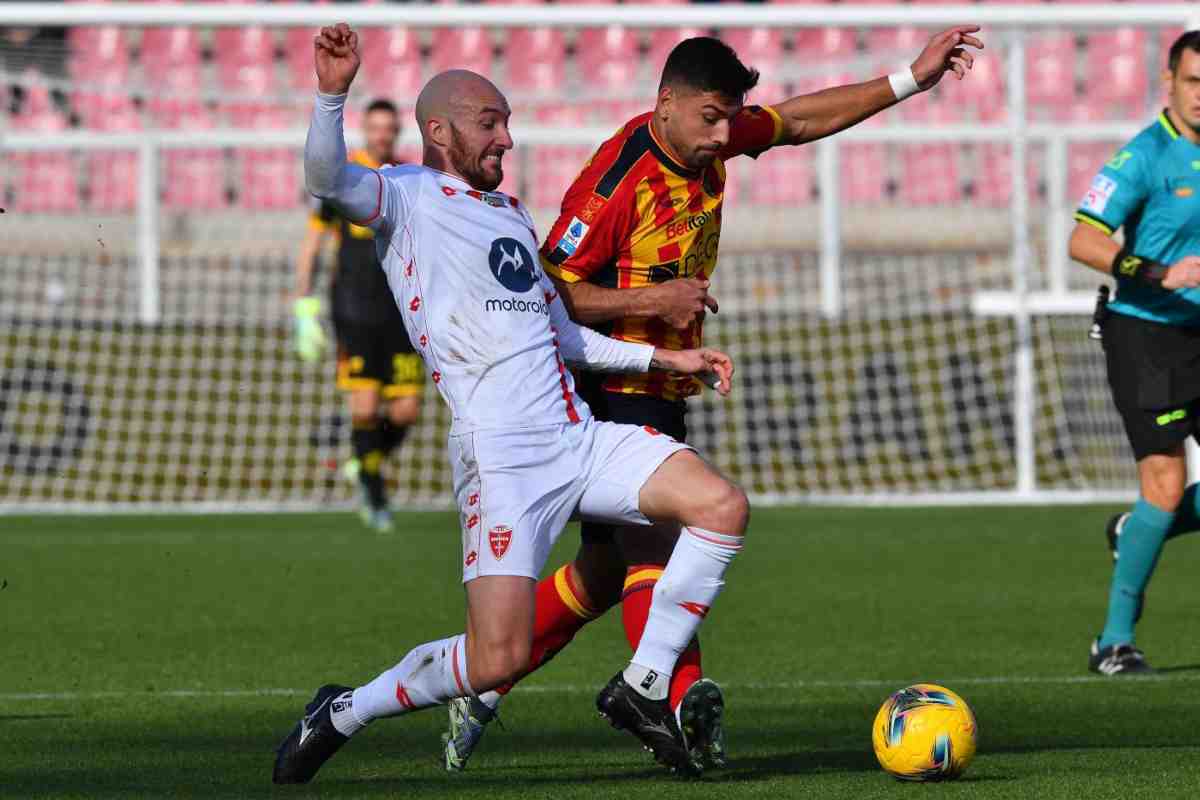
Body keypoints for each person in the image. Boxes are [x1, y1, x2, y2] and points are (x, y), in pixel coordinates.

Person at [443, 28, 985, 770]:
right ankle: (669, 700)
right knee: (664, 544)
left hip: (662, 383)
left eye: (732, 119)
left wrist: (911, 80)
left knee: (602, 576)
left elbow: (796, 121)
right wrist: (656, 297)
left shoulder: (712, 140)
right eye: (710, 119)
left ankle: (482, 680)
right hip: (607, 386)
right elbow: (547, 294)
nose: (725, 135)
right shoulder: (615, 180)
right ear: (666, 104)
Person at [273, 23, 748, 783]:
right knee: (494, 655)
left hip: (579, 435)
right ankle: (344, 710)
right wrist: (333, 95)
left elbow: (563, 336)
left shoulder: (511, 216)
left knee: (720, 506)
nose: (506, 140)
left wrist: (667, 356)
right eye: (490, 123)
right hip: (501, 458)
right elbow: (327, 178)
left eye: (509, 126)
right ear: (440, 130)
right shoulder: (405, 196)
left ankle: (645, 685)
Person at [1070, 30, 1200, 675]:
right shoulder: (1143, 157)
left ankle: (1137, 532)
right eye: (1195, 82)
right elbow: (1082, 240)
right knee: (1166, 483)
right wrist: (1157, 272)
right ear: (1169, 84)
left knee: (1161, 507)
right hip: (1147, 332)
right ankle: (1114, 641)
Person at [292, 97, 422, 532]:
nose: (382, 134)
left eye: (389, 127)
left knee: (405, 410)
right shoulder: (342, 179)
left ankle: (363, 462)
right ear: (364, 130)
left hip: (400, 314)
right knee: (365, 404)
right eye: (375, 127)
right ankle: (372, 487)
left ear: (397, 131)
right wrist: (302, 303)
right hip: (354, 310)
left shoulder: (408, 179)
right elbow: (313, 243)